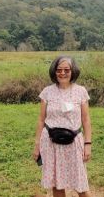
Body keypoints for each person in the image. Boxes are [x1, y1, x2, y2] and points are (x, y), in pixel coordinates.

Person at [33, 56, 92, 197]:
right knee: (56, 183)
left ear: (73, 71)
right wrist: (37, 145)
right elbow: (41, 119)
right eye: (59, 70)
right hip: (51, 143)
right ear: (54, 71)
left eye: (66, 70)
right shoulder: (47, 92)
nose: (62, 73)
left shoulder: (81, 91)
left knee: (81, 184)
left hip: (74, 143)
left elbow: (86, 119)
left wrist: (88, 143)